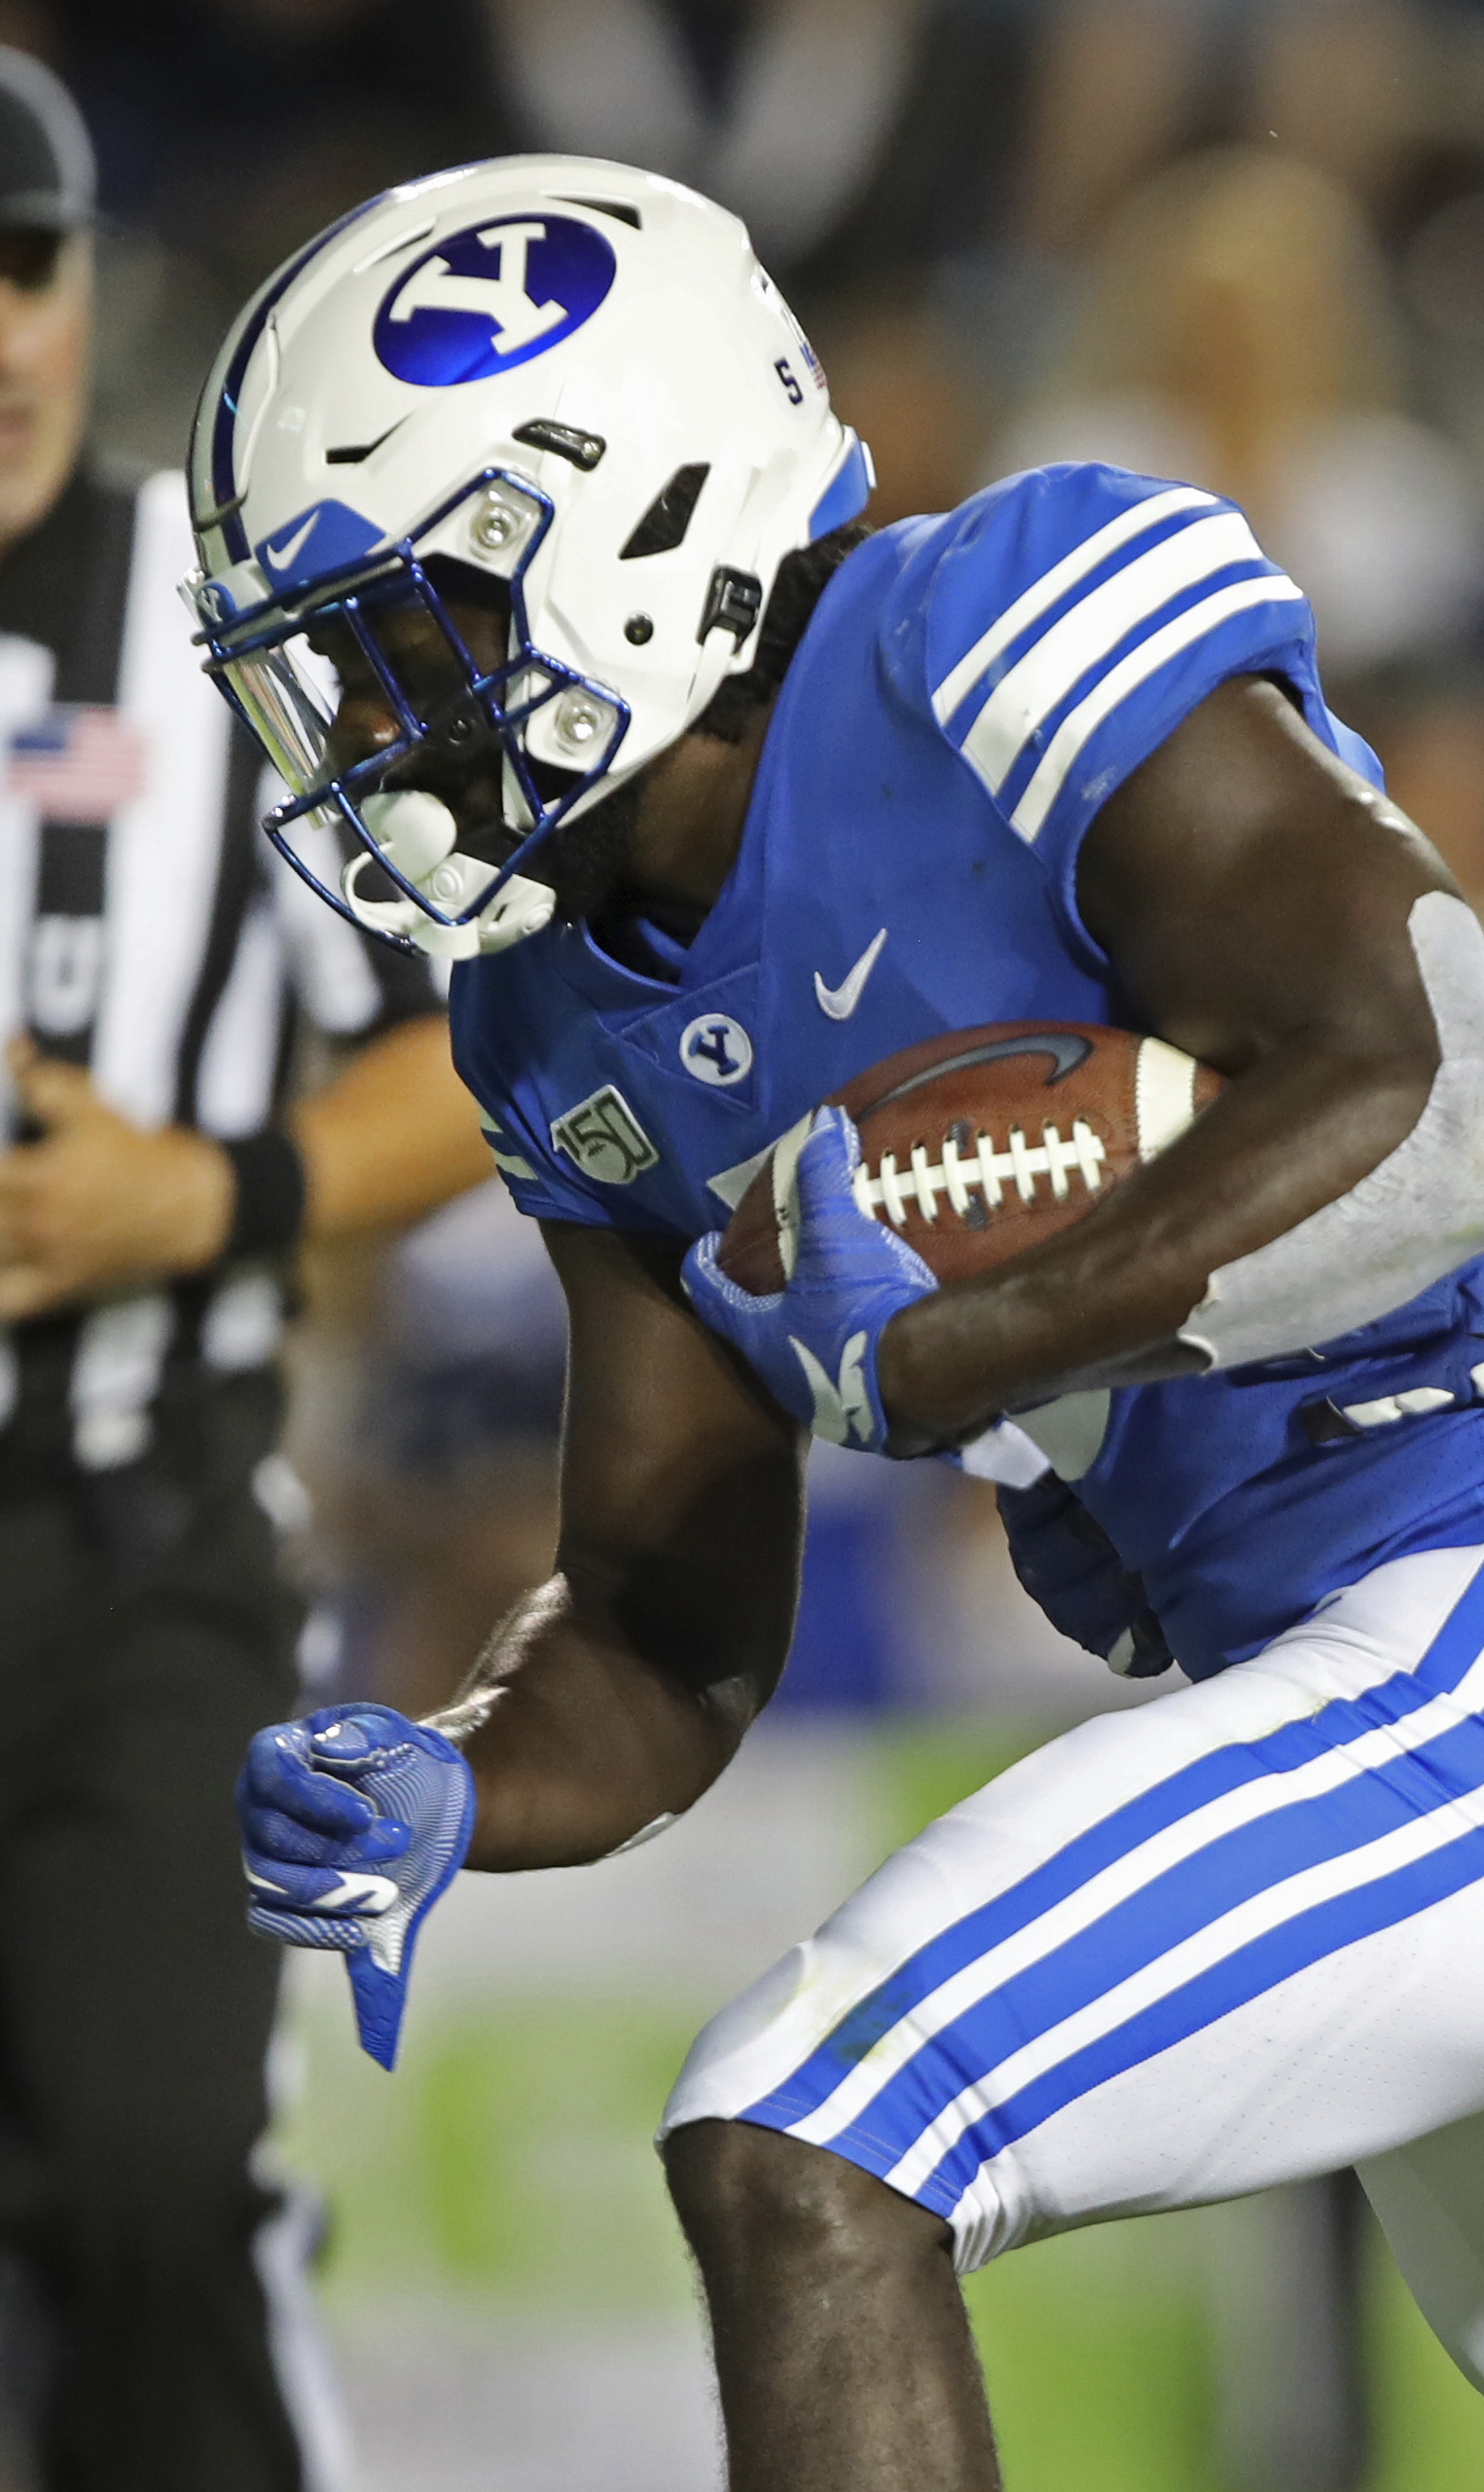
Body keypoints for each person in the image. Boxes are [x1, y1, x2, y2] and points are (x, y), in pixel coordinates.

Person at [207, 154, 1484, 2492]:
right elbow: (657, 1622)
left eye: (408, 634)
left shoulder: (987, 618)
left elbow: (1437, 1096)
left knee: (809, 2131)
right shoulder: (545, 1013)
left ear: (620, 514)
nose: (375, 724)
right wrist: (464, 1773)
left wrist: (947, 1349)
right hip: (1431, 1685)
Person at [0, 50, 484, 2492]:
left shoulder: (228, 637)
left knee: (164, 2178)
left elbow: (473, 1046)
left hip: (132, 1545)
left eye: (27, 267)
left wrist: (204, 1196)